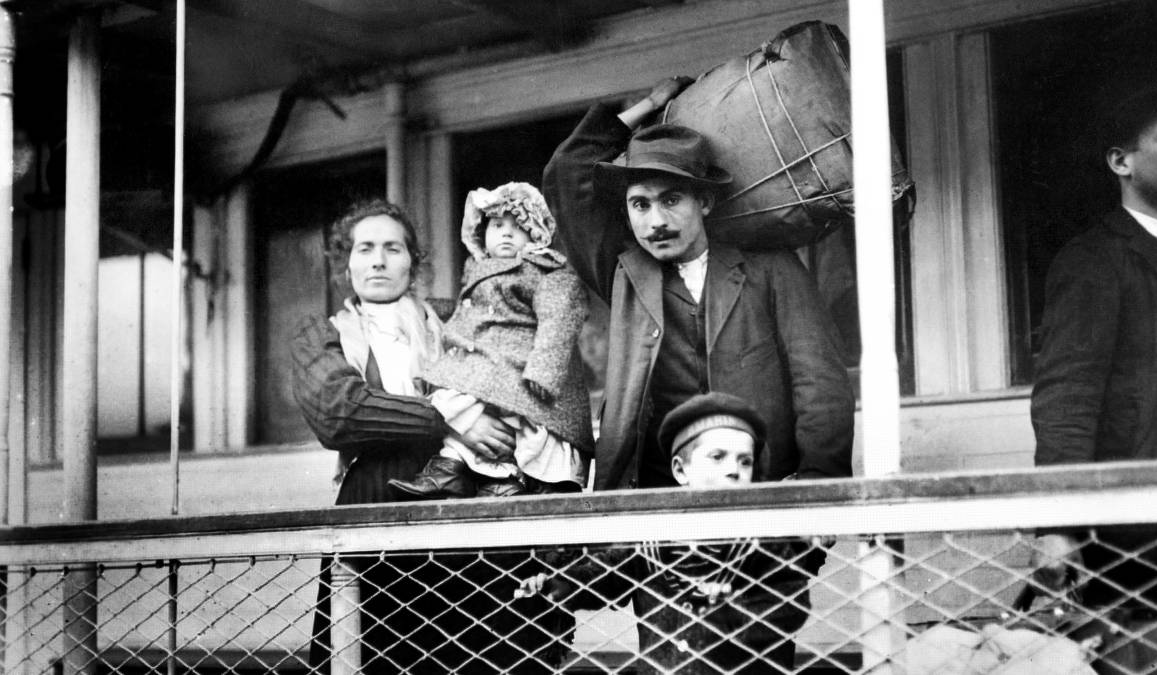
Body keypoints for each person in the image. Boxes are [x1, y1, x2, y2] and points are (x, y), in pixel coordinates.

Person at [292, 199, 569, 673]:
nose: (378, 260)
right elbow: (338, 412)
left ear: (413, 261)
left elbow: (526, 358)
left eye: (393, 248)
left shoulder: (456, 317)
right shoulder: (323, 333)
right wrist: (453, 416)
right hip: (376, 505)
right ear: (346, 262)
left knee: (473, 653)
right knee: (379, 653)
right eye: (364, 249)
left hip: (469, 502)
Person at [542, 78, 854, 494]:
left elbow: (820, 385)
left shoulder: (772, 269)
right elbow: (566, 170)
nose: (655, 221)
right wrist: (650, 103)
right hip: (650, 506)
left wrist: (818, 486)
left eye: (671, 200)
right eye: (640, 204)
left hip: (761, 495)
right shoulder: (623, 273)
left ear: (704, 203)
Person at [1030, 85, 1157, 673]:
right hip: (1146, 549)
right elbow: (1066, 401)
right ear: (1121, 161)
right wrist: (1059, 527)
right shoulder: (1096, 260)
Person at [514, 392, 823, 674]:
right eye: (718, 457)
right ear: (680, 470)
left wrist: (731, 612)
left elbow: (789, 603)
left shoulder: (762, 544)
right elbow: (609, 573)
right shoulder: (658, 536)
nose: (734, 470)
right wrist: (560, 585)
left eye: (745, 461)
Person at [390, 182, 593, 499]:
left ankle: (532, 485)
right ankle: (454, 470)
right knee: (454, 395)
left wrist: (544, 369)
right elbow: (467, 311)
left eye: (519, 227)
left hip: (525, 365)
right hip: (488, 363)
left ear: (536, 235)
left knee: (537, 435)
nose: (507, 234)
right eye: (498, 226)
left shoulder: (544, 269)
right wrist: (434, 311)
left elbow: (561, 314)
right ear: (481, 234)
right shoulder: (477, 270)